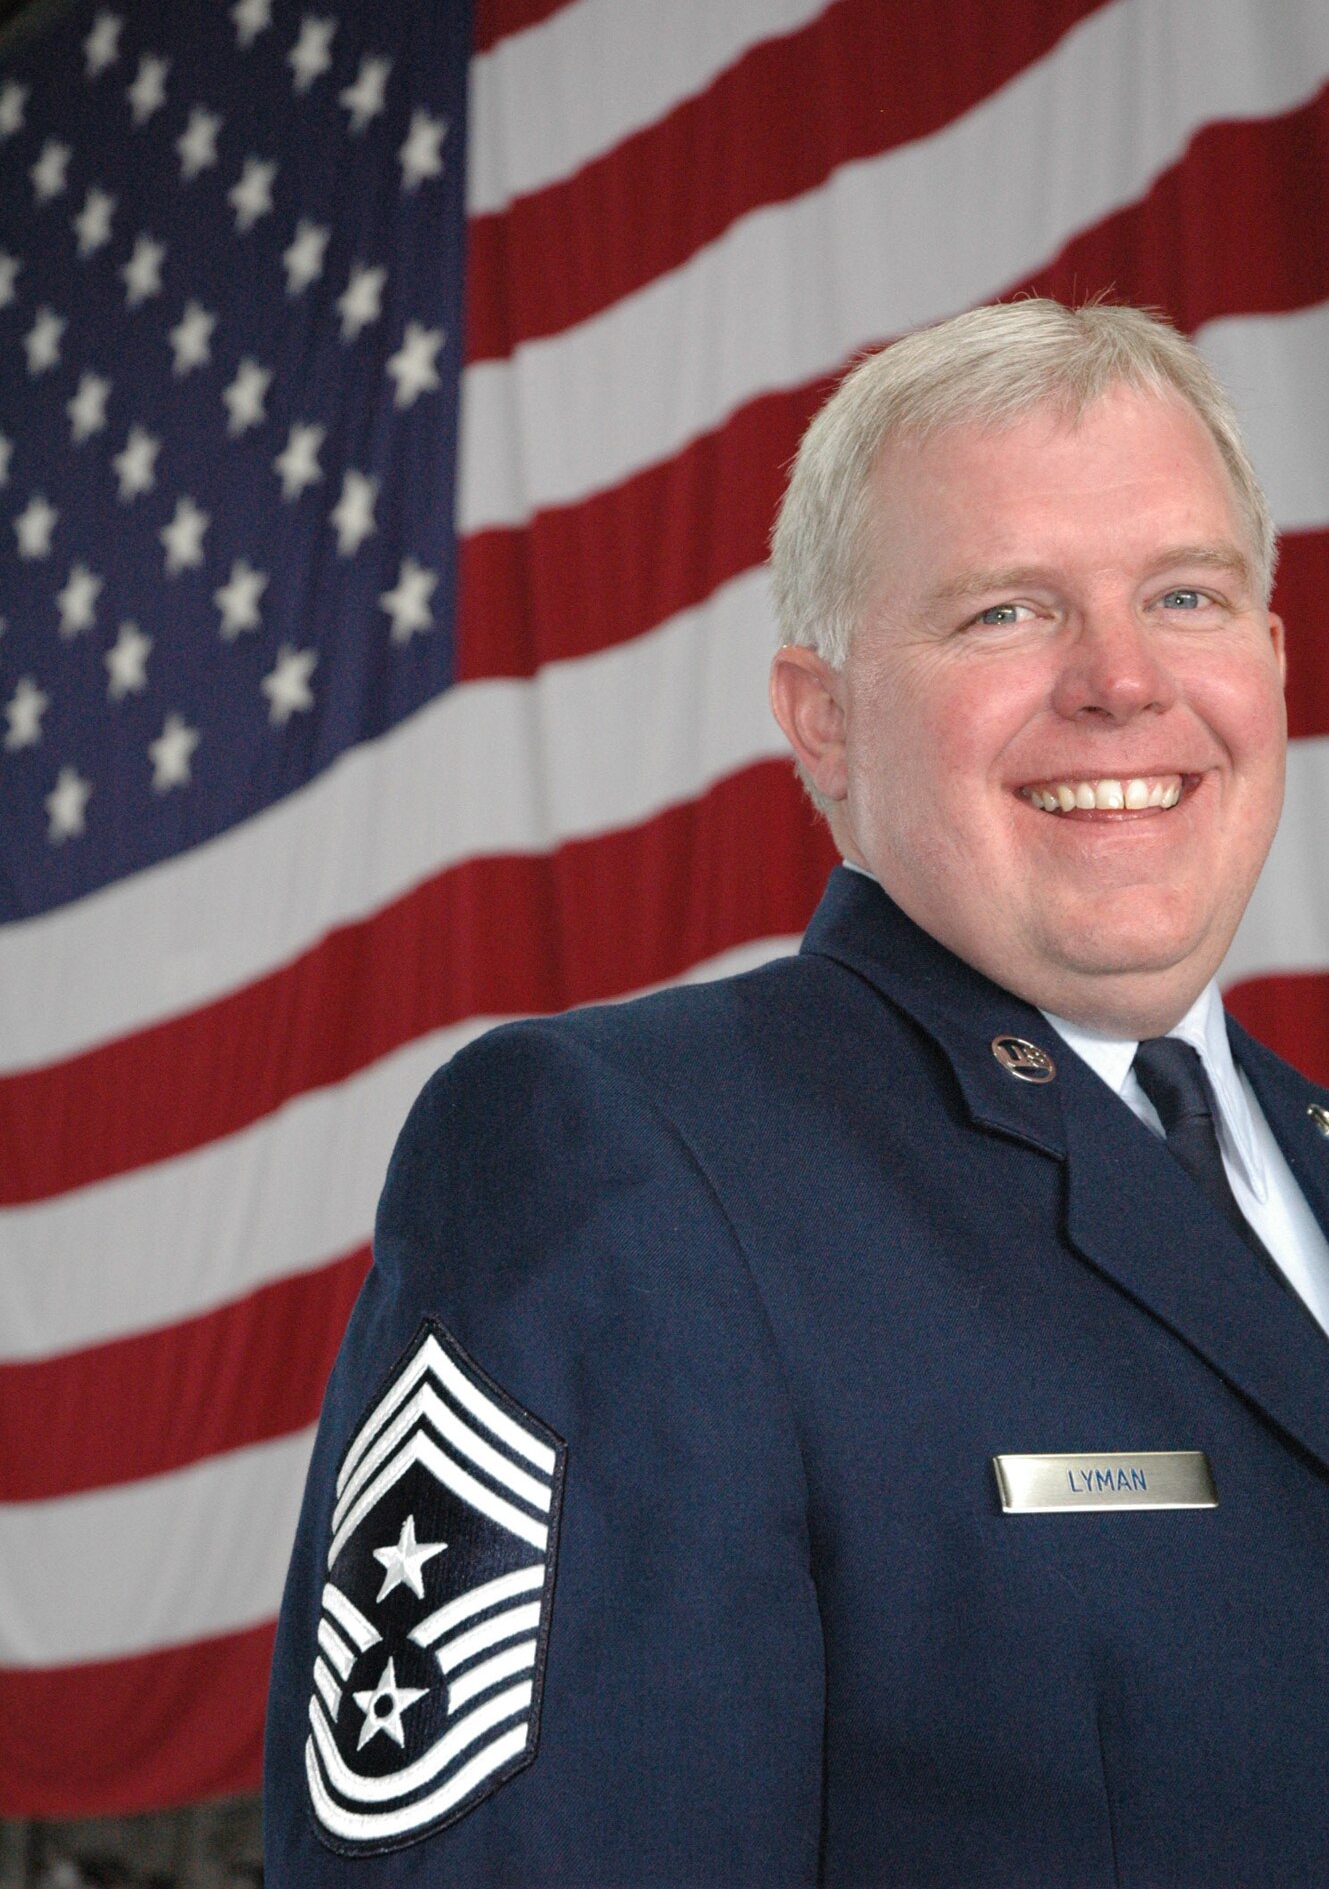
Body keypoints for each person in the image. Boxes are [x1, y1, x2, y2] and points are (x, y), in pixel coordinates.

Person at [265, 301, 1329, 1887]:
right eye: (1002, 614)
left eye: (1184, 593)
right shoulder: (623, 1161)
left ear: (1267, 654)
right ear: (820, 722)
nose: (1120, 680)